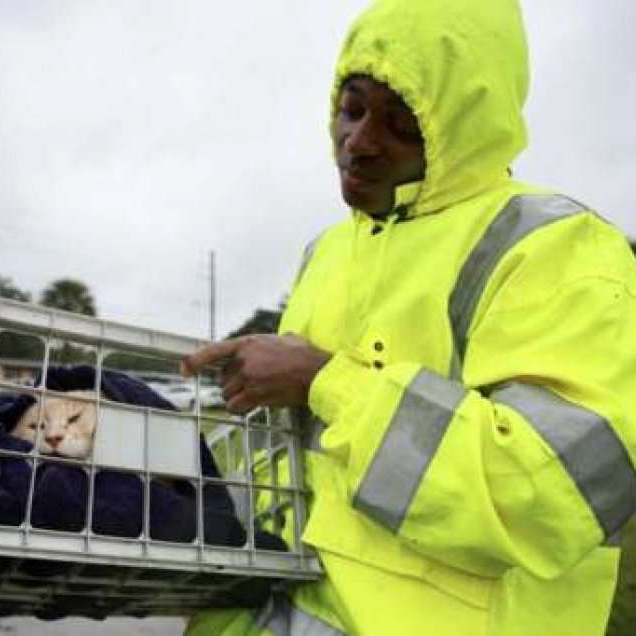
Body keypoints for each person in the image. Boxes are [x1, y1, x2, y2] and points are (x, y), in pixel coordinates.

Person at [181, 0, 636, 634]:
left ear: (465, 128)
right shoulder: (329, 250)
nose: (359, 142)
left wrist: (325, 381)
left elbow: (540, 497)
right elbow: (296, 470)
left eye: (402, 123)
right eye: (352, 107)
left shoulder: (554, 246)